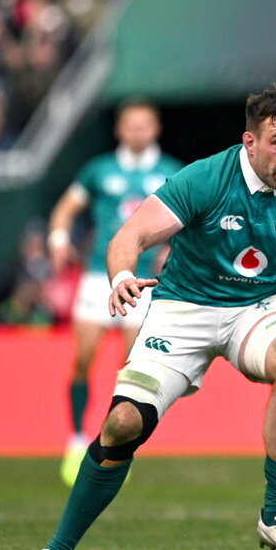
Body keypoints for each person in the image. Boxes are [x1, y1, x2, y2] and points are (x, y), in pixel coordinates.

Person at [1, 85, 276, 550]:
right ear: (249, 141)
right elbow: (130, 236)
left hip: (257, 308)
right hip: (183, 310)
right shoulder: (204, 178)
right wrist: (121, 276)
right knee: (123, 425)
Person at [47, 98, 183, 487]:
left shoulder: (171, 172)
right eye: (131, 125)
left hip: (144, 281)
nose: (138, 132)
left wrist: (174, 249)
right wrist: (58, 240)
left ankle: (114, 443)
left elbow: (194, 221)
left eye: (145, 124)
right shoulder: (99, 170)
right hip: (98, 276)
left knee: (131, 365)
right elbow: (64, 209)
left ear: (156, 128)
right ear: (119, 129)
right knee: (83, 359)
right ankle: (76, 438)